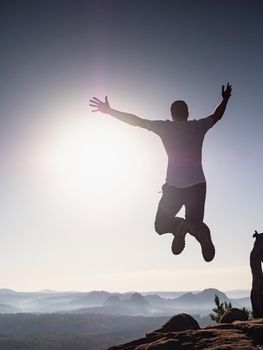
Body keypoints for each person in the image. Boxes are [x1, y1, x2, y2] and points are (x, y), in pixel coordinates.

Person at [89, 83, 232, 262]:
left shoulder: (165, 127)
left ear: (171, 115)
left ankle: (179, 227)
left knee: (161, 225)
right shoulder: (198, 126)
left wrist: (110, 111)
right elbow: (217, 116)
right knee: (195, 225)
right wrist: (225, 99)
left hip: (173, 187)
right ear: (187, 114)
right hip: (197, 186)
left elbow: (136, 121)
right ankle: (192, 229)